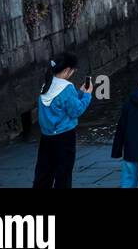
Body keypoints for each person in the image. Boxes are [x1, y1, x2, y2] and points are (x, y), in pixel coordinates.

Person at [32, 51, 93, 189]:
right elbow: (76, 111)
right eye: (72, 71)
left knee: (44, 172)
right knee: (63, 173)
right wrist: (87, 95)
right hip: (64, 137)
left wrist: (80, 92)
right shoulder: (67, 87)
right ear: (67, 70)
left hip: (46, 137)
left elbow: (60, 104)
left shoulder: (47, 83)